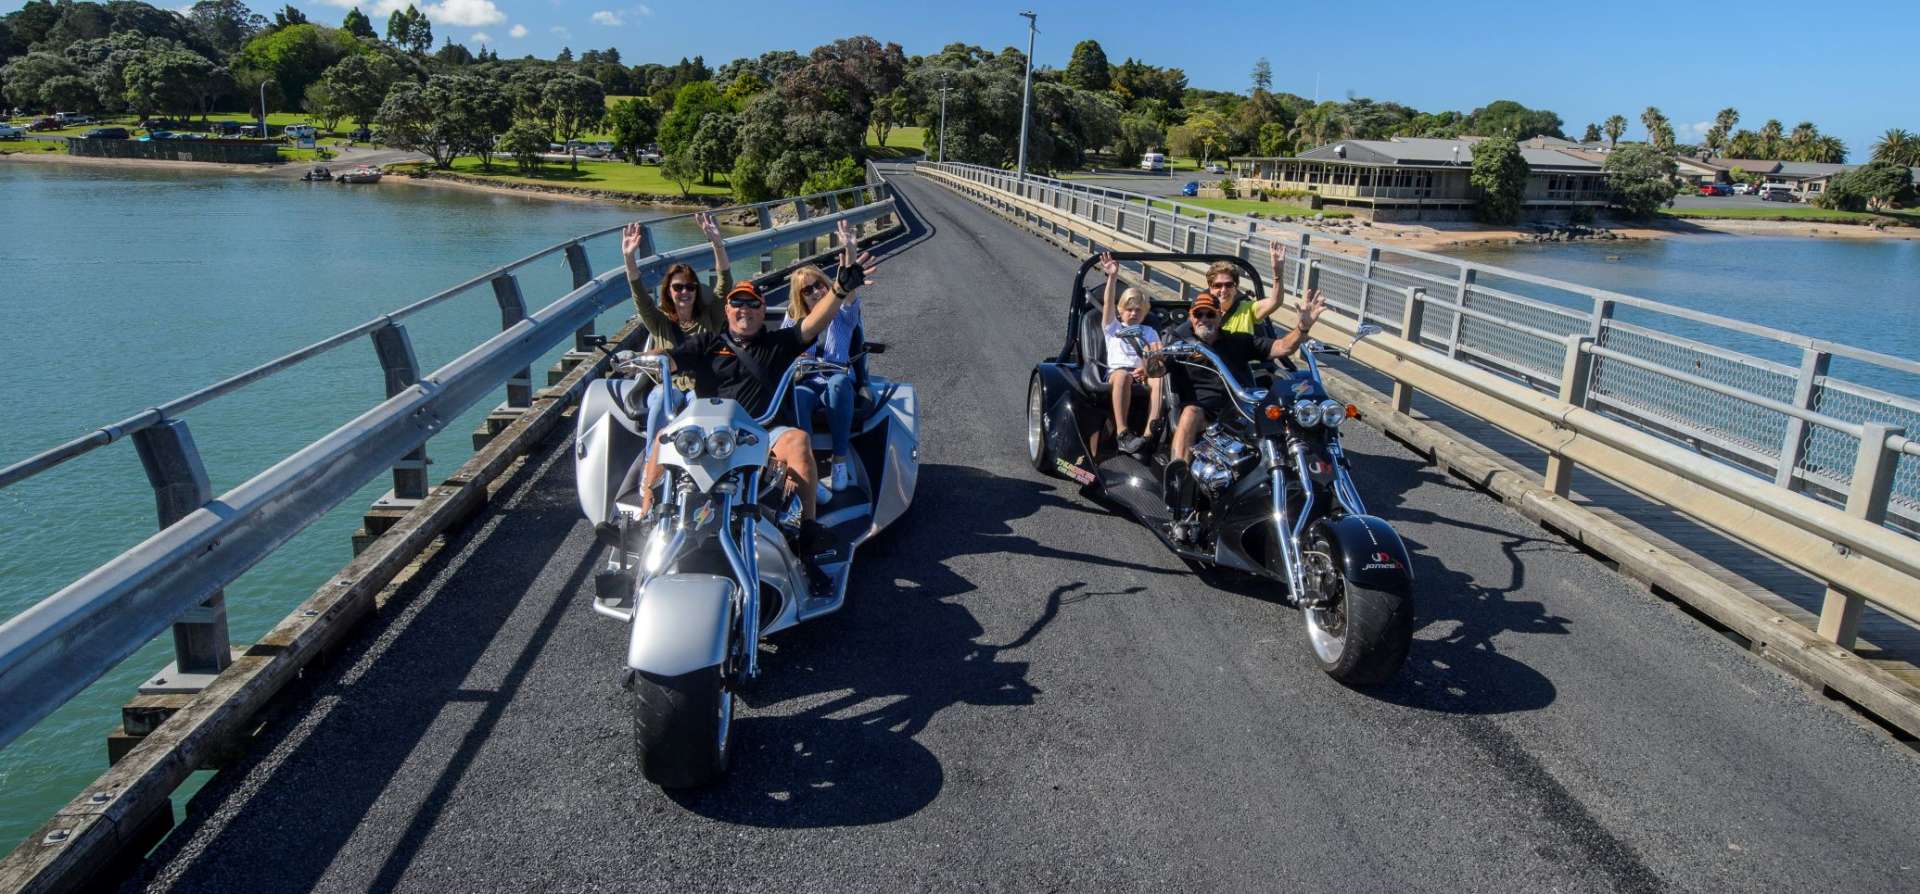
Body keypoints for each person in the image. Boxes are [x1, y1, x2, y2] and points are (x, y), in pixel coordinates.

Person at [638, 219, 878, 552]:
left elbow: (813, 323)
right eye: (738, 303)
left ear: (763, 309)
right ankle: (645, 518)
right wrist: (641, 358)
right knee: (664, 438)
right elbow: (670, 357)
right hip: (712, 432)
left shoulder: (778, 342)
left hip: (763, 430)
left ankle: (808, 529)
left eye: (752, 303)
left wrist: (838, 290)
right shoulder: (707, 343)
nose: (745, 309)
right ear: (727, 310)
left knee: (798, 440)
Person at [1160, 284, 1327, 464]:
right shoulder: (1180, 345)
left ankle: (1305, 467)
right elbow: (1155, 371)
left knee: (1289, 411)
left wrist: (1302, 328)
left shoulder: (1238, 340)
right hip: (1204, 411)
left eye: (1210, 314)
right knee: (1190, 412)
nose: (1204, 319)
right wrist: (1154, 359)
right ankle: (1178, 475)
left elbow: (1281, 347)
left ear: (1220, 316)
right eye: (1198, 314)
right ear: (1190, 317)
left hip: (1241, 407)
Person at [620, 211, 732, 444]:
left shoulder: (709, 317)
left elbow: (724, 283)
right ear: (669, 292)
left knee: (698, 404)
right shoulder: (659, 320)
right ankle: (652, 464)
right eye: (678, 287)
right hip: (668, 387)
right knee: (663, 397)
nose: (685, 292)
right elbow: (639, 295)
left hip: (699, 387)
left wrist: (717, 243)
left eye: (690, 287)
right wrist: (629, 258)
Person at [780, 263, 866, 490]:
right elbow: (780, 352)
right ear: (801, 298)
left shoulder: (843, 315)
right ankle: (807, 466)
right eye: (807, 291)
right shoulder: (794, 319)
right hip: (807, 380)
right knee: (797, 395)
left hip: (837, 376)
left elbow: (849, 294)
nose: (816, 292)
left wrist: (849, 254)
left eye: (818, 285)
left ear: (827, 284)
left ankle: (839, 461)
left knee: (837, 384)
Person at [1094, 252, 1163, 455]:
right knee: (1123, 376)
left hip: (1143, 372)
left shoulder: (1149, 331)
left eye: (1138, 310)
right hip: (1119, 372)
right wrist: (1112, 277)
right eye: (1129, 309)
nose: (1133, 313)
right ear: (1120, 311)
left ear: (1145, 313)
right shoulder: (1112, 327)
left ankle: (1150, 434)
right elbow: (1107, 304)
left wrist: (1145, 367)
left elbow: (1157, 354)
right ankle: (1123, 433)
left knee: (1159, 379)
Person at [1212, 240, 1292, 335]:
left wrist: (1277, 272)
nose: (1223, 290)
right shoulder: (1202, 311)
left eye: (1229, 285)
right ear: (1210, 287)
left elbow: (1275, 301)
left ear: (1235, 287)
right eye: (1218, 285)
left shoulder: (1247, 309)